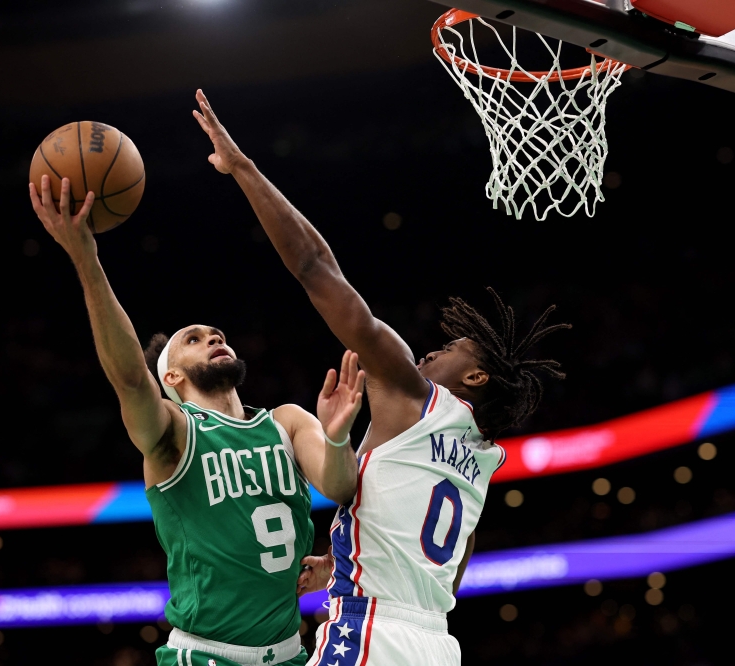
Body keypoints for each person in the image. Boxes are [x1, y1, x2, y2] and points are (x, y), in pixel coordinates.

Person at [192, 89, 570, 665]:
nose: (427, 356)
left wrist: (243, 167)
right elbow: (453, 559)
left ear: (474, 377)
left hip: (371, 632)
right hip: (437, 642)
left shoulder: (413, 392)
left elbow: (315, 267)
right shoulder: (484, 455)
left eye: (447, 349)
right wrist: (344, 561)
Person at [28, 174, 366, 666]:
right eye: (193, 338)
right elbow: (128, 381)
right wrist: (87, 257)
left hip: (292, 653)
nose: (212, 336)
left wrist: (337, 437)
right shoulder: (174, 434)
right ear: (171, 375)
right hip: (206, 656)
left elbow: (339, 484)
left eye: (215, 333)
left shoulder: (288, 422)